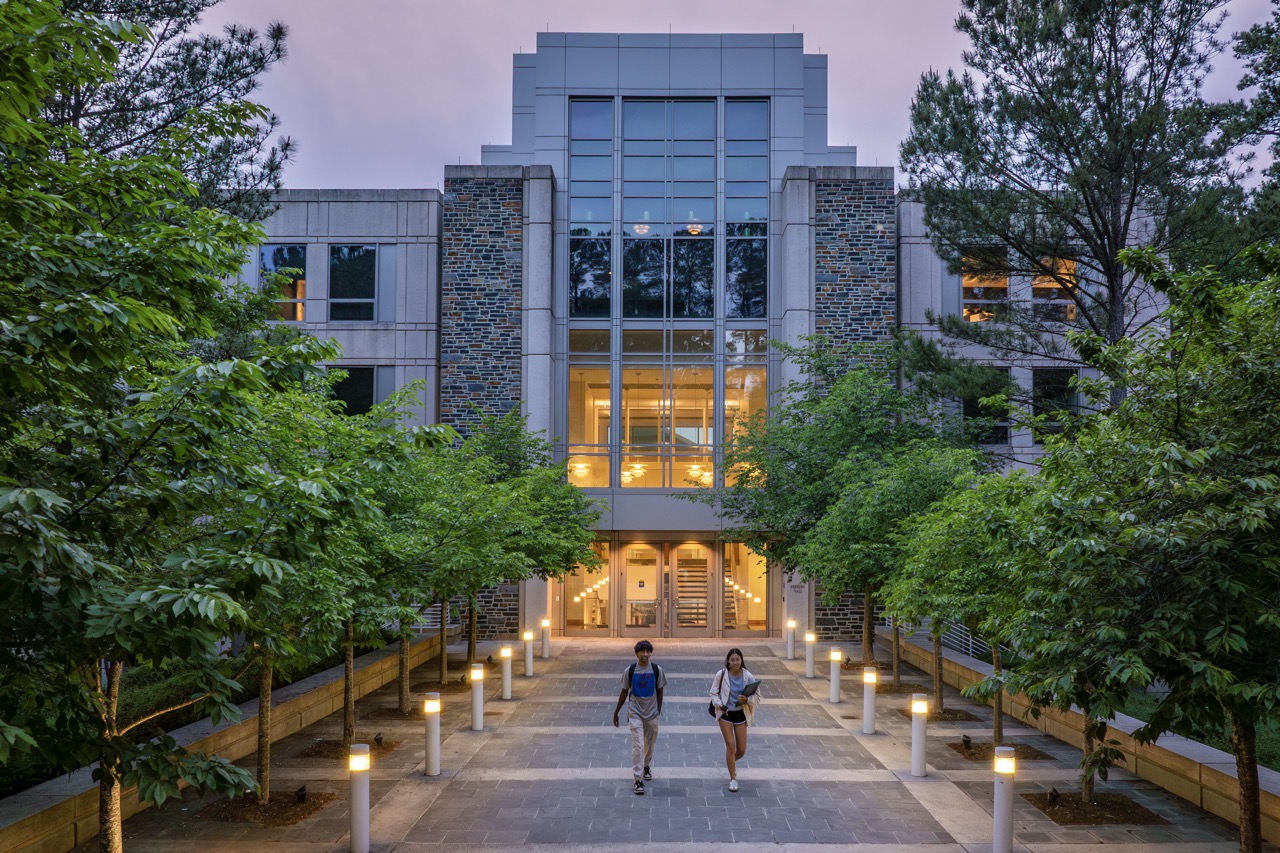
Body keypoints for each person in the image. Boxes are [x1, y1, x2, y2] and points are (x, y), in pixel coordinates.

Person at [612, 639, 665, 795]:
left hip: (652, 713)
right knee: (638, 746)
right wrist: (616, 712)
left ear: (651, 653)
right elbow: (624, 692)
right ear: (636, 653)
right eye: (642, 651)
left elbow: (660, 691)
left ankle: (646, 765)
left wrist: (658, 710)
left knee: (650, 744)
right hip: (635, 712)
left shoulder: (657, 670)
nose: (645, 654)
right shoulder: (630, 670)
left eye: (648, 651)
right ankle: (638, 779)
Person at [709, 647, 759, 792]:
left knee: (741, 750)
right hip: (725, 713)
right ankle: (733, 779)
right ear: (728, 661)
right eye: (732, 660)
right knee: (731, 746)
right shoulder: (722, 674)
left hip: (740, 713)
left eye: (738, 659)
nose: (735, 662)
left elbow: (757, 696)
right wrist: (720, 704)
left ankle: (730, 763)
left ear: (741, 660)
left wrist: (747, 699)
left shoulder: (747, 676)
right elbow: (713, 693)